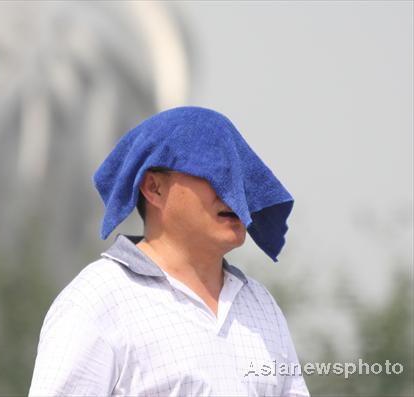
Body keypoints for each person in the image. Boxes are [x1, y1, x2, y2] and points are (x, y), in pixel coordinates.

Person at [29, 106, 310, 396]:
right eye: (217, 174)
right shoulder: (99, 299)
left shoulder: (261, 306)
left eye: (241, 177)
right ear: (154, 188)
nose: (236, 193)